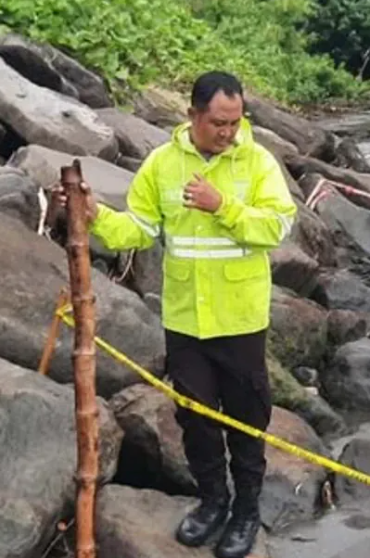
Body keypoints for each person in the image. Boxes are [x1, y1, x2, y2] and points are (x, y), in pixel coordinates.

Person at [59, 71, 297, 558]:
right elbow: (139, 229)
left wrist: (223, 206)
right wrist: (95, 215)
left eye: (235, 122)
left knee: (247, 421)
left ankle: (246, 512)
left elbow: (276, 227)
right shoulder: (162, 164)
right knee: (194, 418)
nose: (228, 132)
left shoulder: (257, 162)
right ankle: (213, 502)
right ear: (192, 115)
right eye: (218, 123)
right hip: (186, 320)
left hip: (241, 320)